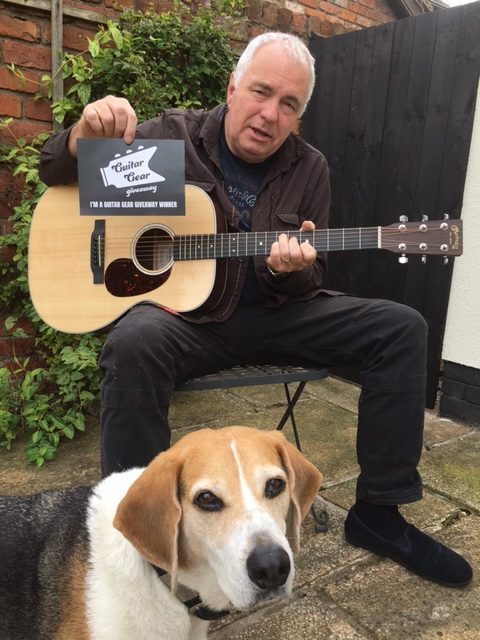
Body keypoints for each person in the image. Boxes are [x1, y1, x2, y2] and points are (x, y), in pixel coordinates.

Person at [39, 31, 472, 588]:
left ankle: (379, 515)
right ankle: (139, 537)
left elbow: (314, 275)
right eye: (261, 92)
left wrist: (290, 270)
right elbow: (55, 168)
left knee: (401, 327)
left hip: (276, 313)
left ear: (299, 116)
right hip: (186, 320)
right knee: (132, 343)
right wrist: (83, 136)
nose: (270, 114)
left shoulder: (309, 168)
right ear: (232, 87)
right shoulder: (171, 138)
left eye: (288, 104)